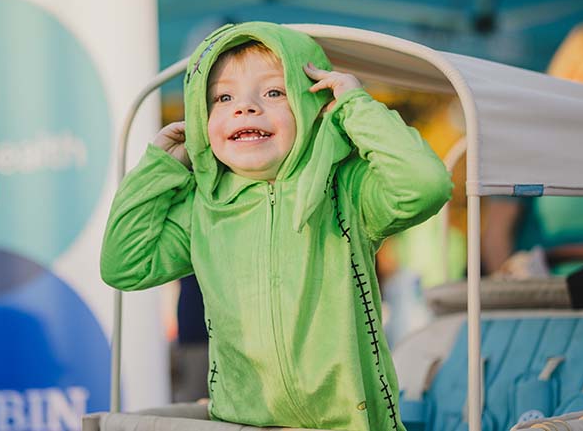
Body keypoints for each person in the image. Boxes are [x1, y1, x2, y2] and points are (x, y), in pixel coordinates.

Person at [101, 22, 451, 430]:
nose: (245, 107)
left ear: (312, 105)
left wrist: (355, 105)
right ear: (201, 119)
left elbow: (426, 185)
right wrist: (160, 167)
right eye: (222, 97)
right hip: (243, 424)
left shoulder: (345, 189)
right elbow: (124, 264)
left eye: (274, 92)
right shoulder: (204, 210)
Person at [482, 22, 583, 276]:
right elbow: (496, 235)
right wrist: (513, 297)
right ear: (573, 79)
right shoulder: (526, 145)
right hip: (546, 300)